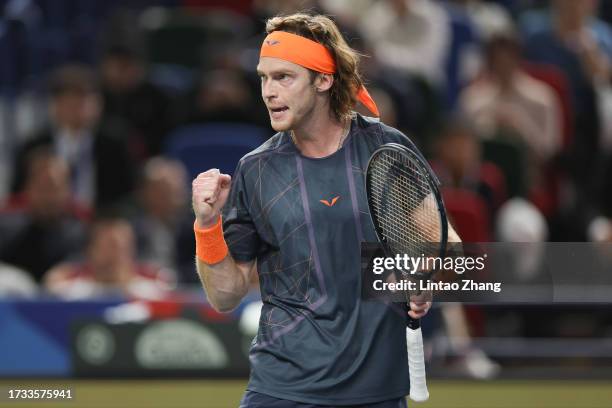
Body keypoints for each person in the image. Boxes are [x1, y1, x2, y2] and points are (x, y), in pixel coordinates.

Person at [192, 13, 460, 407]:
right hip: (280, 386)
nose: (268, 91)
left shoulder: (385, 149)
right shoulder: (256, 169)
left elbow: (447, 246)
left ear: (323, 80)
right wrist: (208, 225)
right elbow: (226, 296)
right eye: (264, 77)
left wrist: (427, 279)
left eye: (284, 77)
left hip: (376, 390)